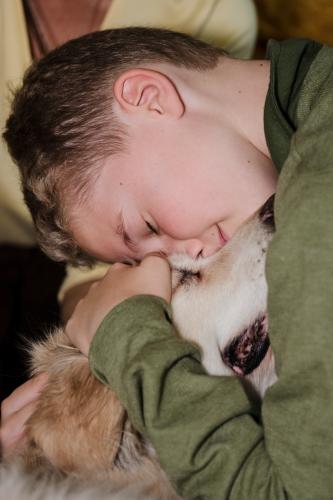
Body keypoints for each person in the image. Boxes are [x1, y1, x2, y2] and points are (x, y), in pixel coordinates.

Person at [2, 27, 333, 499]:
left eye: (150, 225)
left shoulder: (318, 210)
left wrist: (130, 336)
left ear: (149, 98)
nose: (191, 250)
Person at [0, 0, 257, 431]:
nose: (189, 249)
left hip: (81, 269)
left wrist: (121, 333)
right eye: (153, 228)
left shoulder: (207, 11)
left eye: (154, 228)